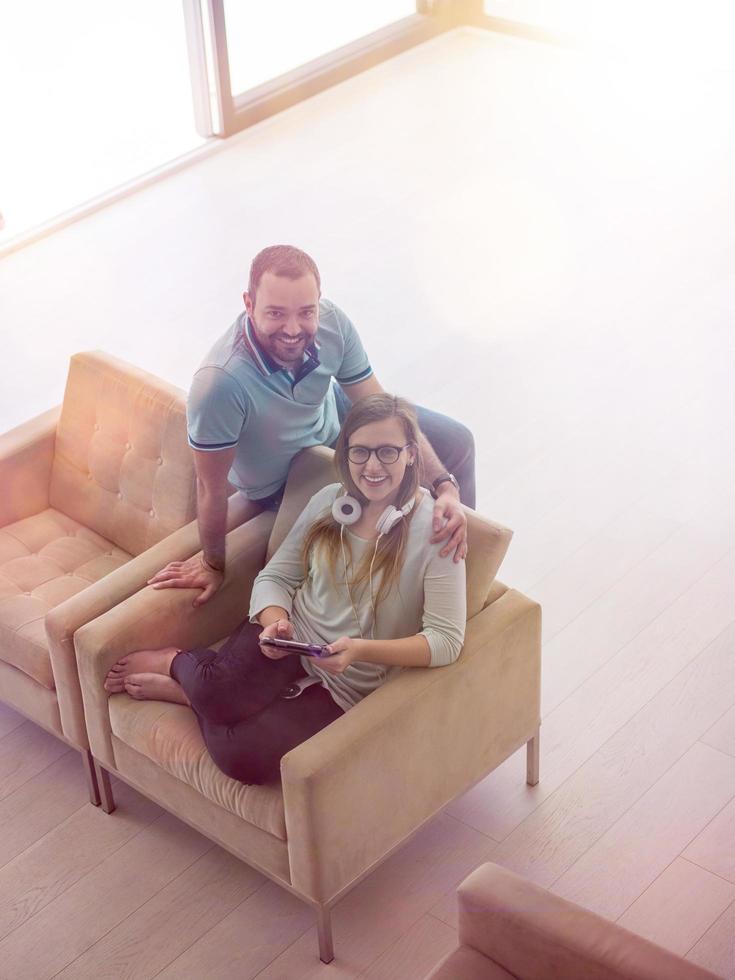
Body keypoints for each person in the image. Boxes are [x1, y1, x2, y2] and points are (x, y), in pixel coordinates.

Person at [105, 394, 466, 784]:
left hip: (348, 680)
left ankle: (186, 695)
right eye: (359, 452)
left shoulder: (438, 534)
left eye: (387, 452)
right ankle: (175, 661)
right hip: (291, 637)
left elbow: (446, 640)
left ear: (412, 454)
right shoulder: (329, 503)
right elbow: (277, 577)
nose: (372, 466)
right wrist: (275, 622)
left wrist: (361, 650)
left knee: (242, 756)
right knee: (215, 692)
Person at [148, 244, 475, 606]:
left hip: (337, 426)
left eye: (306, 311)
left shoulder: (332, 322)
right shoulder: (219, 385)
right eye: (275, 313)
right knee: (393, 516)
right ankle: (431, 595)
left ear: (319, 300)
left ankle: (460, 568)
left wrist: (445, 486)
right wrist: (213, 563)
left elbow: (380, 407)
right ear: (248, 304)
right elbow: (209, 487)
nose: (292, 329)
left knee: (456, 442)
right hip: (290, 478)